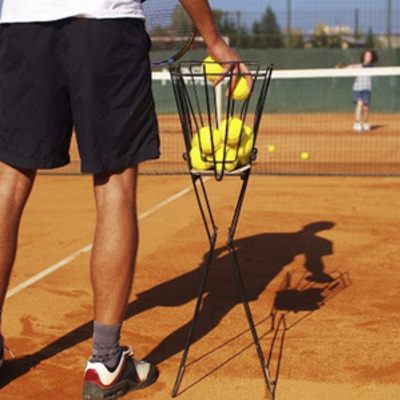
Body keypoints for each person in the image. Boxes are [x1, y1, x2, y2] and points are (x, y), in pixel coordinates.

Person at [0, 1, 250, 399]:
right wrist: (214, 39)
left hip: (22, 28)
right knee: (116, 184)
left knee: (8, 183)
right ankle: (106, 363)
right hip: (106, 27)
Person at [348, 50, 379, 132]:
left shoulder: (370, 65)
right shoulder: (359, 65)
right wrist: (349, 67)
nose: (368, 57)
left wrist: (354, 66)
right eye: (366, 55)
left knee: (366, 107)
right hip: (358, 87)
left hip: (366, 88)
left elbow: (363, 66)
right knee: (359, 103)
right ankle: (357, 123)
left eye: (369, 56)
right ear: (363, 56)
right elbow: (355, 67)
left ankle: (365, 122)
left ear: (372, 58)